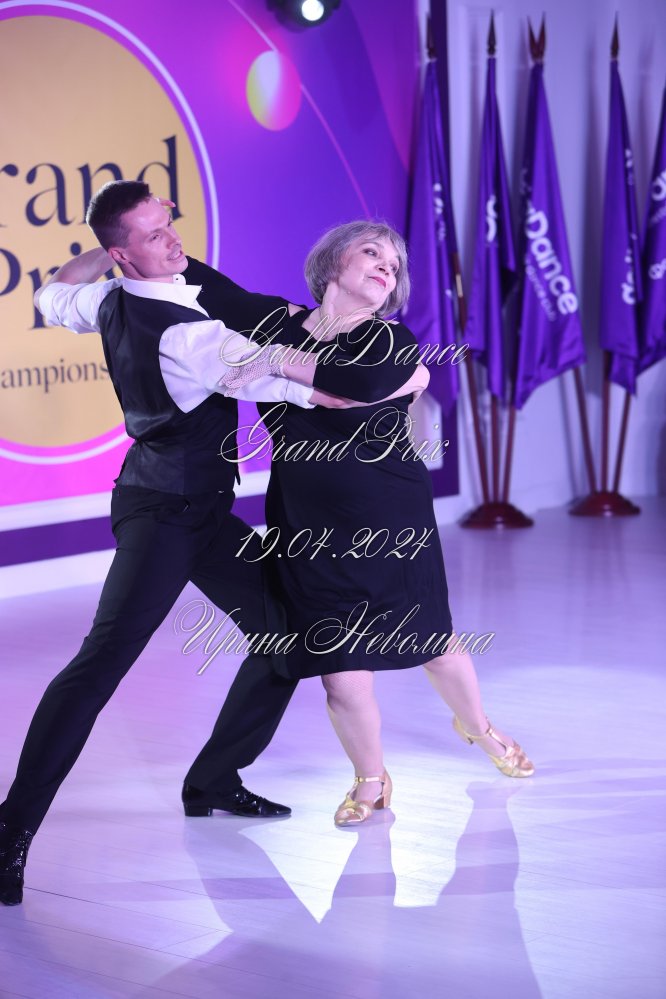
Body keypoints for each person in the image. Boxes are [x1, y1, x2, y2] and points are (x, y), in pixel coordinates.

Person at [0, 183, 422, 906]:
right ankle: (11, 830)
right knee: (99, 667)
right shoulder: (193, 339)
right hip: (164, 517)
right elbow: (320, 387)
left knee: (288, 637)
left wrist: (107, 251)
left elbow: (52, 293)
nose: (174, 242)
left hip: (198, 510)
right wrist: (407, 377)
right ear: (124, 254)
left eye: (168, 224)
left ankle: (213, 780)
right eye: (153, 236)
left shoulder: (109, 297)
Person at [222, 220, 535, 826]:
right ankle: (372, 779)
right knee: (340, 670)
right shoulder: (280, 323)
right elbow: (204, 290)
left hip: (392, 517)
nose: (386, 266)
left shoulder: (390, 339)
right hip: (308, 524)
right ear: (331, 263)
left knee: (432, 643)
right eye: (371, 252)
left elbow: (361, 384)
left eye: (394, 263)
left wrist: (275, 362)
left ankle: (479, 728)